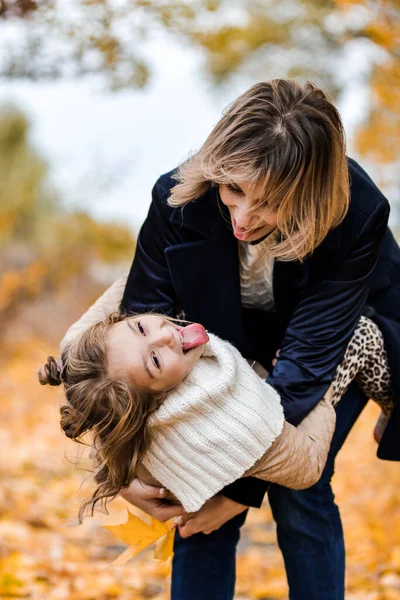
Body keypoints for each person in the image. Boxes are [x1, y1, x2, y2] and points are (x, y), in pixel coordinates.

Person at [58, 79, 400, 600]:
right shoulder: (177, 197)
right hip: (212, 342)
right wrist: (122, 464)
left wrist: (239, 493)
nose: (242, 219)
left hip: (338, 339)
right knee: (194, 491)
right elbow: (127, 340)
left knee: (301, 487)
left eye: (271, 204)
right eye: (234, 190)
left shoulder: (356, 215)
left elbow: (304, 371)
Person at [40, 311, 392, 522]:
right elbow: (309, 466)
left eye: (141, 327)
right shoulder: (228, 419)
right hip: (288, 420)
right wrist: (319, 380)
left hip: (260, 384)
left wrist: (107, 459)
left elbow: (123, 285)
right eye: (156, 360)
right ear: (158, 400)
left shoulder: (119, 376)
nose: (166, 333)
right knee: (362, 331)